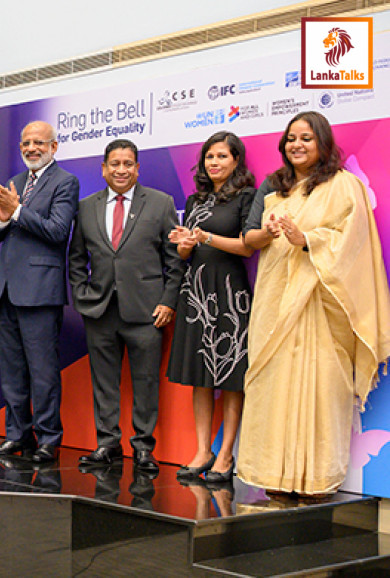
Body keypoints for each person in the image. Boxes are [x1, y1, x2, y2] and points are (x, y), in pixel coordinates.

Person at [237, 111, 390, 497]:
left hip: (321, 310)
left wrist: (307, 239)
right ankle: (272, 478)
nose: (296, 145)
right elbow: (252, 240)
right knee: (272, 387)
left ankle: (315, 482)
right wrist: (270, 232)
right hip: (274, 306)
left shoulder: (344, 186)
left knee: (318, 391)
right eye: (291, 138)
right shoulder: (275, 190)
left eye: (306, 138)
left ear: (322, 142)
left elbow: (353, 245)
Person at [67, 139, 184, 473]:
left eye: (128, 164)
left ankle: (144, 448)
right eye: (115, 164)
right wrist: (81, 293)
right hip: (100, 310)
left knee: (146, 381)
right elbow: (76, 258)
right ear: (104, 168)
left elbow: (173, 260)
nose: (121, 170)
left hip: (147, 312)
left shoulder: (160, 203)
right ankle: (107, 444)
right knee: (104, 381)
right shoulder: (86, 206)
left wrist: (167, 301)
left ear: (137, 168)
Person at [0, 121, 79, 463]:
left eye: (39, 142)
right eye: (26, 143)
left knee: (43, 372)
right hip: (7, 289)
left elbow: (56, 231)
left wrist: (18, 211)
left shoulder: (65, 182)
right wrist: (3, 219)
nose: (31, 148)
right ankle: (17, 436)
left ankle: (49, 439)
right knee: (12, 372)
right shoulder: (16, 182)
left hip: (41, 292)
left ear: (54, 147)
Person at [166, 131, 255, 484]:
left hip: (231, 292)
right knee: (200, 378)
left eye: (222, 156)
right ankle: (203, 450)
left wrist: (206, 237)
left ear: (236, 161)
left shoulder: (247, 196)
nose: (214, 163)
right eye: (209, 157)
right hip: (196, 293)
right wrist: (185, 244)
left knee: (232, 378)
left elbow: (248, 247)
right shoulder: (194, 200)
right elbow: (185, 254)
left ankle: (227, 453)